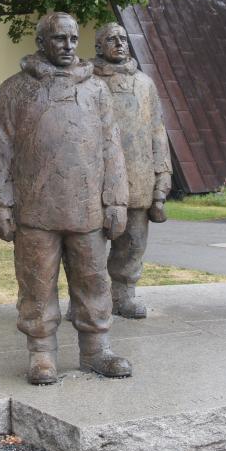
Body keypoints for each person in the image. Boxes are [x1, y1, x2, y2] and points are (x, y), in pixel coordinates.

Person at [0, 12, 131, 385]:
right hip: (34, 208)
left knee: (93, 280)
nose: (67, 46)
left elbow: (112, 148)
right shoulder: (15, 89)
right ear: (41, 42)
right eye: (58, 38)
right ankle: (41, 353)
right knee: (36, 283)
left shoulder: (96, 90)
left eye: (73, 38)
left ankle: (96, 349)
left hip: (88, 208)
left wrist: (116, 200)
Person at [90, 22, 171, 318]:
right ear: (99, 47)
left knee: (133, 243)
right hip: (96, 181)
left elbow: (157, 130)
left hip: (138, 177)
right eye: (111, 39)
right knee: (89, 247)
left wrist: (162, 176)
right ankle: (86, 299)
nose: (119, 43)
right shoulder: (87, 82)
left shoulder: (144, 83)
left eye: (123, 38)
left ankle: (123, 295)